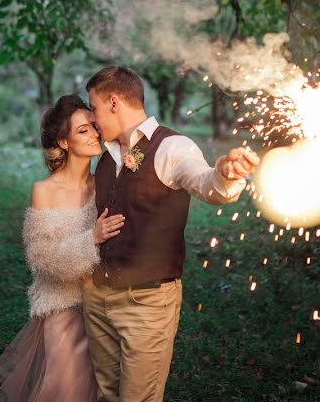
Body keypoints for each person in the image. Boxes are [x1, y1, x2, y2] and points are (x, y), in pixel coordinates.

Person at [82, 66, 259, 402]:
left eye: (94, 107)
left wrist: (225, 174)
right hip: (97, 300)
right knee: (105, 395)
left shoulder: (173, 147)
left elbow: (208, 185)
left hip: (145, 303)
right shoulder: (105, 158)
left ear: (115, 102)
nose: (92, 118)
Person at [0, 94, 125, 402]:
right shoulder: (44, 191)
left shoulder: (107, 183)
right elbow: (41, 260)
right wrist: (91, 238)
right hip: (62, 309)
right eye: (82, 131)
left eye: (93, 126)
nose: (94, 134)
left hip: (105, 307)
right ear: (64, 142)